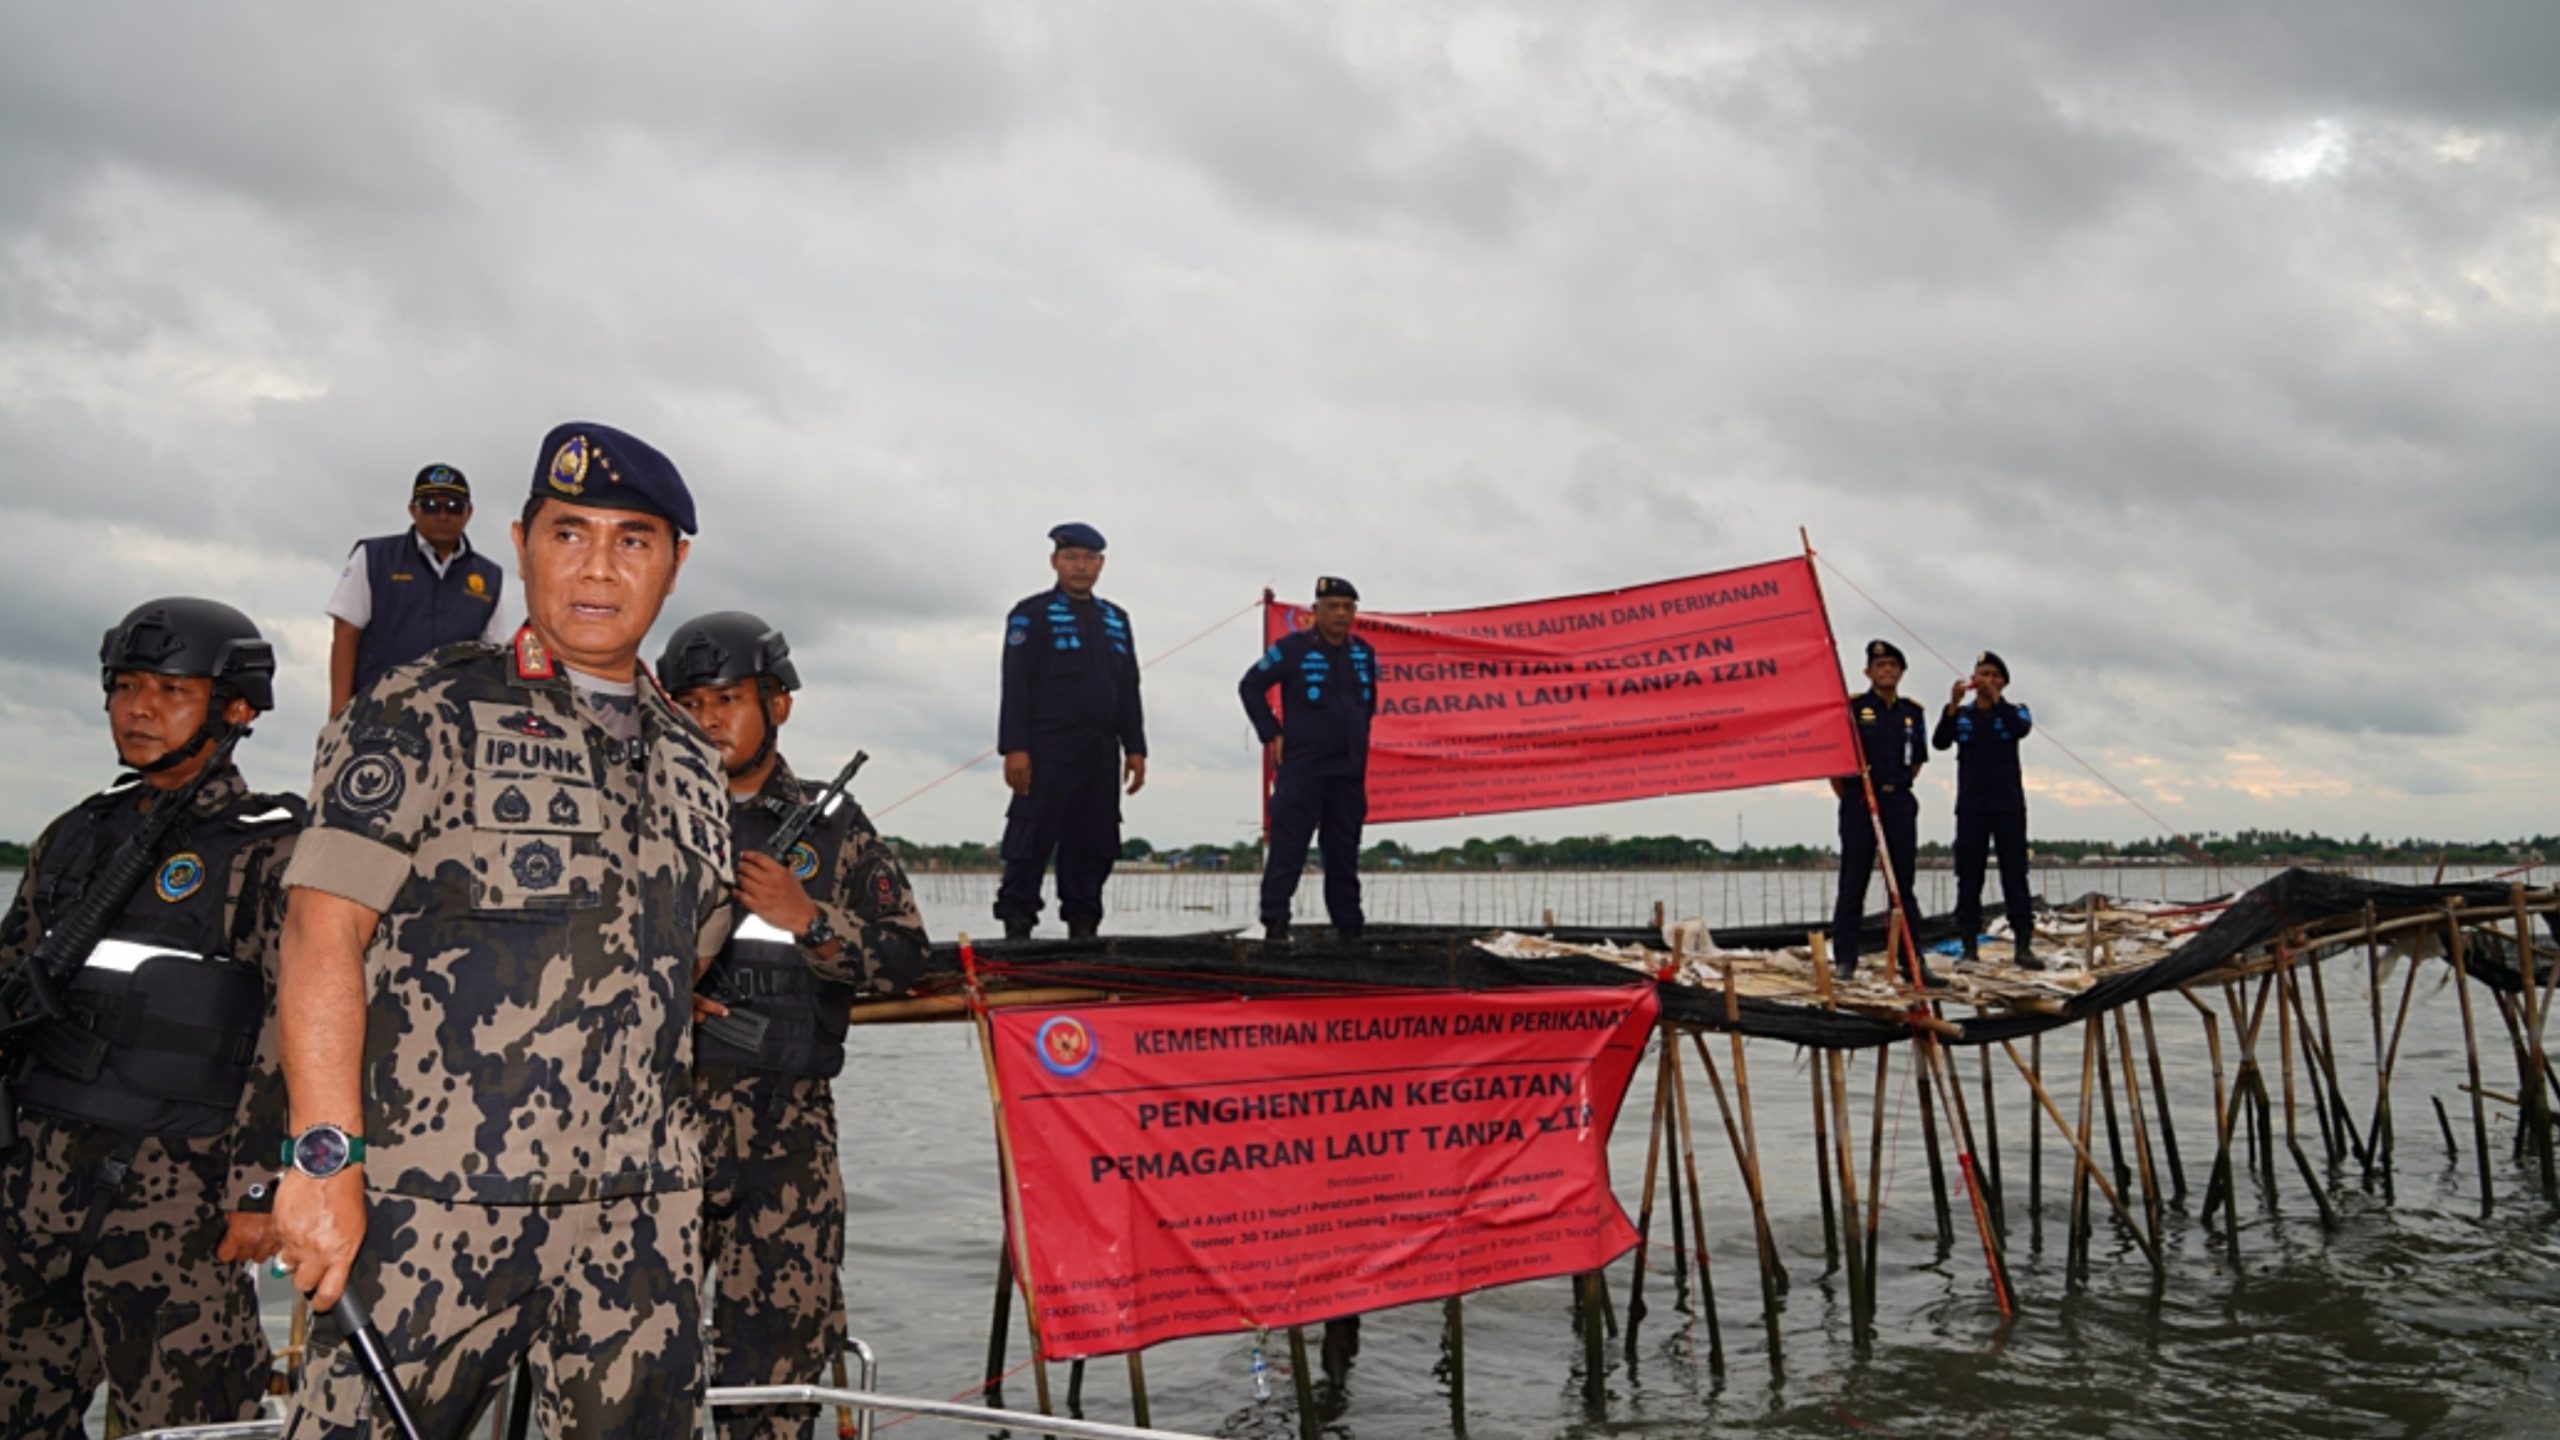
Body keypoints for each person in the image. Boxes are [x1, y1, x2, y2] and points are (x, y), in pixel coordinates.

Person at [272, 423, 734, 1440]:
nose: (599, 568)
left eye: (633, 539)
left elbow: (685, 964)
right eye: (569, 534)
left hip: (641, 1220)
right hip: (432, 1209)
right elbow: (318, 937)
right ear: (521, 543)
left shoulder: (696, 761)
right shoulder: (422, 707)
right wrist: (321, 1160)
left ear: (675, 562)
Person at [0, 598, 300, 1437]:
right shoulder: (75, 836)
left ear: (235, 708)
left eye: (171, 690)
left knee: (188, 1421)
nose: (138, 708)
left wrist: (257, 1187)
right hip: (35, 1177)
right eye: (126, 686)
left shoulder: (270, 850)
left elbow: (294, 1028)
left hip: (177, 1197)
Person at [657, 612, 930, 1440]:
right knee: (633, 1368)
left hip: (787, 1138)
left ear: (777, 703)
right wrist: (664, 997)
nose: (708, 720)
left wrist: (810, 918)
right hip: (654, 1130)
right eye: (692, 702)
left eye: (729, 699)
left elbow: (906, 960)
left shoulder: (833, 827)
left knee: (776, 1379)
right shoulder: (640, 814)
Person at [993, 522, 1146, 941]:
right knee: (1030, 839)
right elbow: (1015, 683)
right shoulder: (1031, 614)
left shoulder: (1116, 619)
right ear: (1055, 562)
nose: (1081, 567)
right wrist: (1014, 747)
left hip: (1100, 751)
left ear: (1101, 564)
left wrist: (1136, 748)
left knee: (1095, 841)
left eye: (1090, 559)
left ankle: (1084, 927)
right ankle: (1017, 924)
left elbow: (1129, 686)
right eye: (1072, 558)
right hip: (1046, 748)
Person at [1241, 577, 1379, 944]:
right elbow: (1250, 685)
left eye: (1347, 607)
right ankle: (1275, 926)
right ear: (1315, 611)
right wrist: (1271, 732)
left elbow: (1368, 706)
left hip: (1348, 773)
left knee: (1344, 855)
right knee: (1289, 851)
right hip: (1303, 770)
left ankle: (1349, 930)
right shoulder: (1292, 649)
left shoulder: (1363, 652)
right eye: (1331, 606)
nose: (1340, 614)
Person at [325, 463, 518, 714]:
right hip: (375, 712)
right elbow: (345, 634)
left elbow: (491, 655)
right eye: (430, 505)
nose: (442, 515)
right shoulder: (373, 558)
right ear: (412, 510)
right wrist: (338, 713)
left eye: (453, 506)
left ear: (469, 512)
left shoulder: (489, 576)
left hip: (451, 722)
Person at [1828, 639, 1938, 986]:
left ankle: (1912, 960)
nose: (1886, 670)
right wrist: (1858, 795)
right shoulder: (1854, 709)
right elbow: (1836, 766)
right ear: (1868, 672)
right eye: (1880, 666)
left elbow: (1917, 759)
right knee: (1853, 881)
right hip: (1860, 802)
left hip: (1898, 803)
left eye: (1893, 665)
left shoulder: (1912, 713)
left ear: (1902, 672)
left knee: (1902, 885)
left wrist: (1895, 787)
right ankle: (1845, 959)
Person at [1933, 650, 2040, 969]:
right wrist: (1951, 705)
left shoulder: (2016, 712)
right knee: (1969, 877)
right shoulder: (1961, 714)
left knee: (2014, 875)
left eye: (1995, 676)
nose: (1988, 681)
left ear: (2004, 682)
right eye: (1983, 675)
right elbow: (1940, 742)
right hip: (1971, 808)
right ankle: (1968, 944)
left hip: (2008, 806)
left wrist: (1998, 701)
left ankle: (2023, 945)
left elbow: (2020, 730)